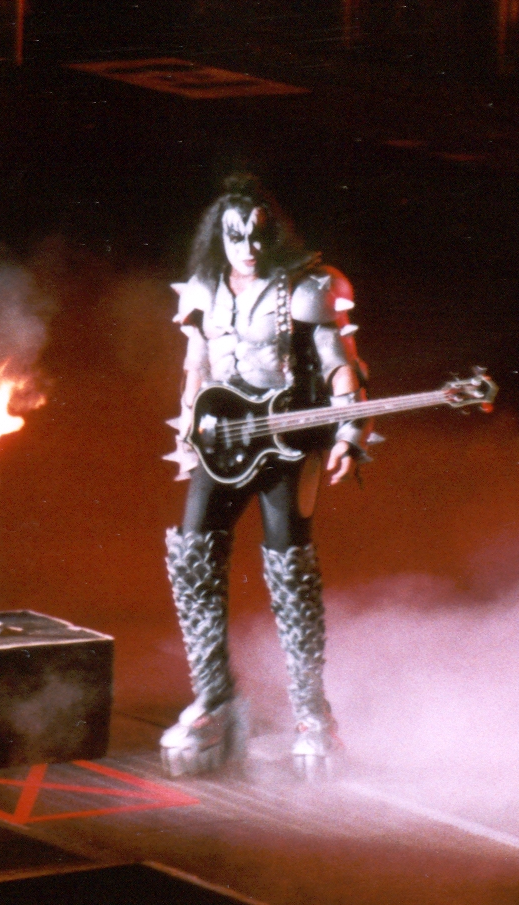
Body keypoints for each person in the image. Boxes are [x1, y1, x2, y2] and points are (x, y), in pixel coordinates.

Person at [161, 174, 368, 777]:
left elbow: (340, 366)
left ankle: (312, 714)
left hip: (285, 444)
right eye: (235, 237)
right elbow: (196, 362)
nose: (247, 247)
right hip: (221, 442)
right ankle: (214, 698)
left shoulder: (306, 288)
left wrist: (350, 433)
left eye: (256, 235)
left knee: (290, 570)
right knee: (193, 558)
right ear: (220, 238)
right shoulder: (205, 288)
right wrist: (190, 419)